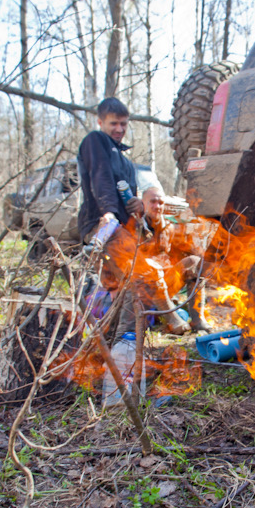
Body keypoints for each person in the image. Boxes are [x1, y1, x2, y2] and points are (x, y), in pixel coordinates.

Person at [137, 172, 212, 333]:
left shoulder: (168, 228)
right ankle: (172, 319)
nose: (157, 206)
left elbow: (182, 252)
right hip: (140, 291)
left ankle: (198, 320)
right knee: (151, 270)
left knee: (194, 262)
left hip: (165, 285)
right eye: (153, 202)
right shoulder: (135, 227)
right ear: (143, 203)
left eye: (160, 202)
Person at [77, 97, 143, 244]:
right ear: (100, 122)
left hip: (124, 227)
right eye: (113, 123)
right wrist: (109, 212)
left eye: (123, 124)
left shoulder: (126, 162)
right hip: (101, 223)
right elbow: (101, 177)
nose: (119, 129)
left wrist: (139, 205)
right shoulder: (95, 140)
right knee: (118, 257)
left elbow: (130, 195)